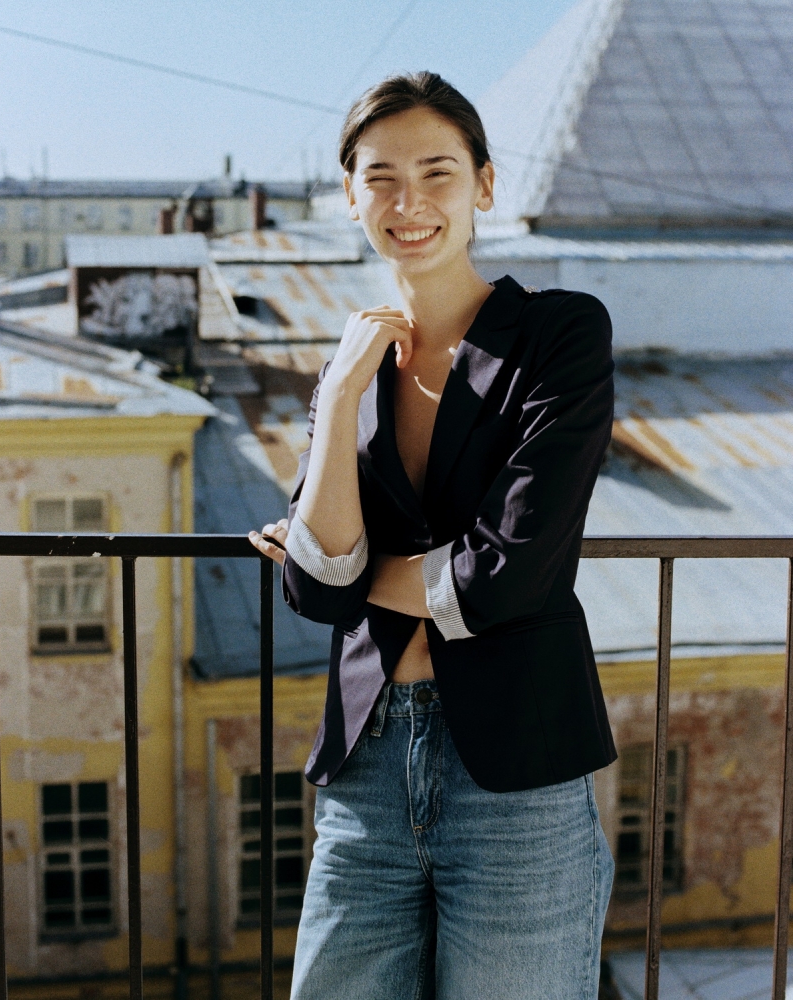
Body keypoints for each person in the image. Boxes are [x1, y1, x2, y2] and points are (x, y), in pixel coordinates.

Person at [250, 71, 616, 1000]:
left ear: (484, 184)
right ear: (351, 195)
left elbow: (505, 576)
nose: (408, 202)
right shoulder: (348, 368)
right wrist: (340, 395)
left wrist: (341, 565)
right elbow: (312, 594)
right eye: (380, 177)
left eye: (437, 172)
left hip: (517, 777)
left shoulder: (559, 334)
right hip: (365, 771)